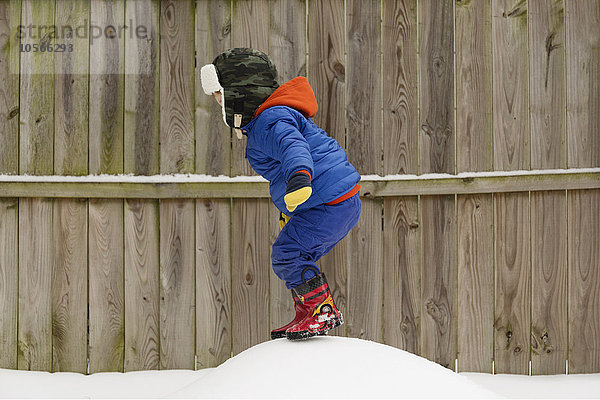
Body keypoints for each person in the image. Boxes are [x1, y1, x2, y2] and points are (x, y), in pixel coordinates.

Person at [200, 48, 361, 340]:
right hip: (336, 200)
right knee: (295, 254)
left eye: (220, 96)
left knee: (287, 254)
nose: (217, 103)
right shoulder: (270, 118)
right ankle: (308, 311)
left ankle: (320, 312)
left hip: (328, 203)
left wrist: (299, 177)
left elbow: (293, 148)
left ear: (241, 93)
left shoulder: (270, 121)